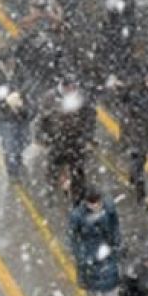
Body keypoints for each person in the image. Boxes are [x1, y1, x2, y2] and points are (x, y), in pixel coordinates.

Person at [68, 187, 122, 296]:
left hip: (107, 256)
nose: (96, 206)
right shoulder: (77, 216)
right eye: (92, 203)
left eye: (98, 202)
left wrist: (116, 244)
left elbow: (115, 227)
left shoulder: (109, 209)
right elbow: (73, 239)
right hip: (88, 260)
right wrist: (81, 258)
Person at [37, 75, 96, 203]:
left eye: (73, 88)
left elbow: (90, 119)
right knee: (53, 167)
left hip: (76, 140)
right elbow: (42, 119)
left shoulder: (82, 98)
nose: (71, 90)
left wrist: (88, 138)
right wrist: (42, 137)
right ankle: (50, 192)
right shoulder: (49, 98)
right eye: (69, 88)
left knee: (78, 169)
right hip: (56, 140)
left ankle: (78, 196)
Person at [116, 65, 148, 206]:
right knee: (137, 163)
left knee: (139, 161)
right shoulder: (139, 93)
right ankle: (140, 195)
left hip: (141, 134)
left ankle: (134, 181)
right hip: (136, 133)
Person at [0, 45, 35, 179]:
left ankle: (18, 159)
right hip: (6, 116)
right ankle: (12, 171)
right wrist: (6, 101)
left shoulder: (20, 69)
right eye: (9, 62)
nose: (12, 64)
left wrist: (19, 93)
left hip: (21, 113)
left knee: (24, 140)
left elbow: (28, 81)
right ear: (3, 62)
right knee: (9, 146)